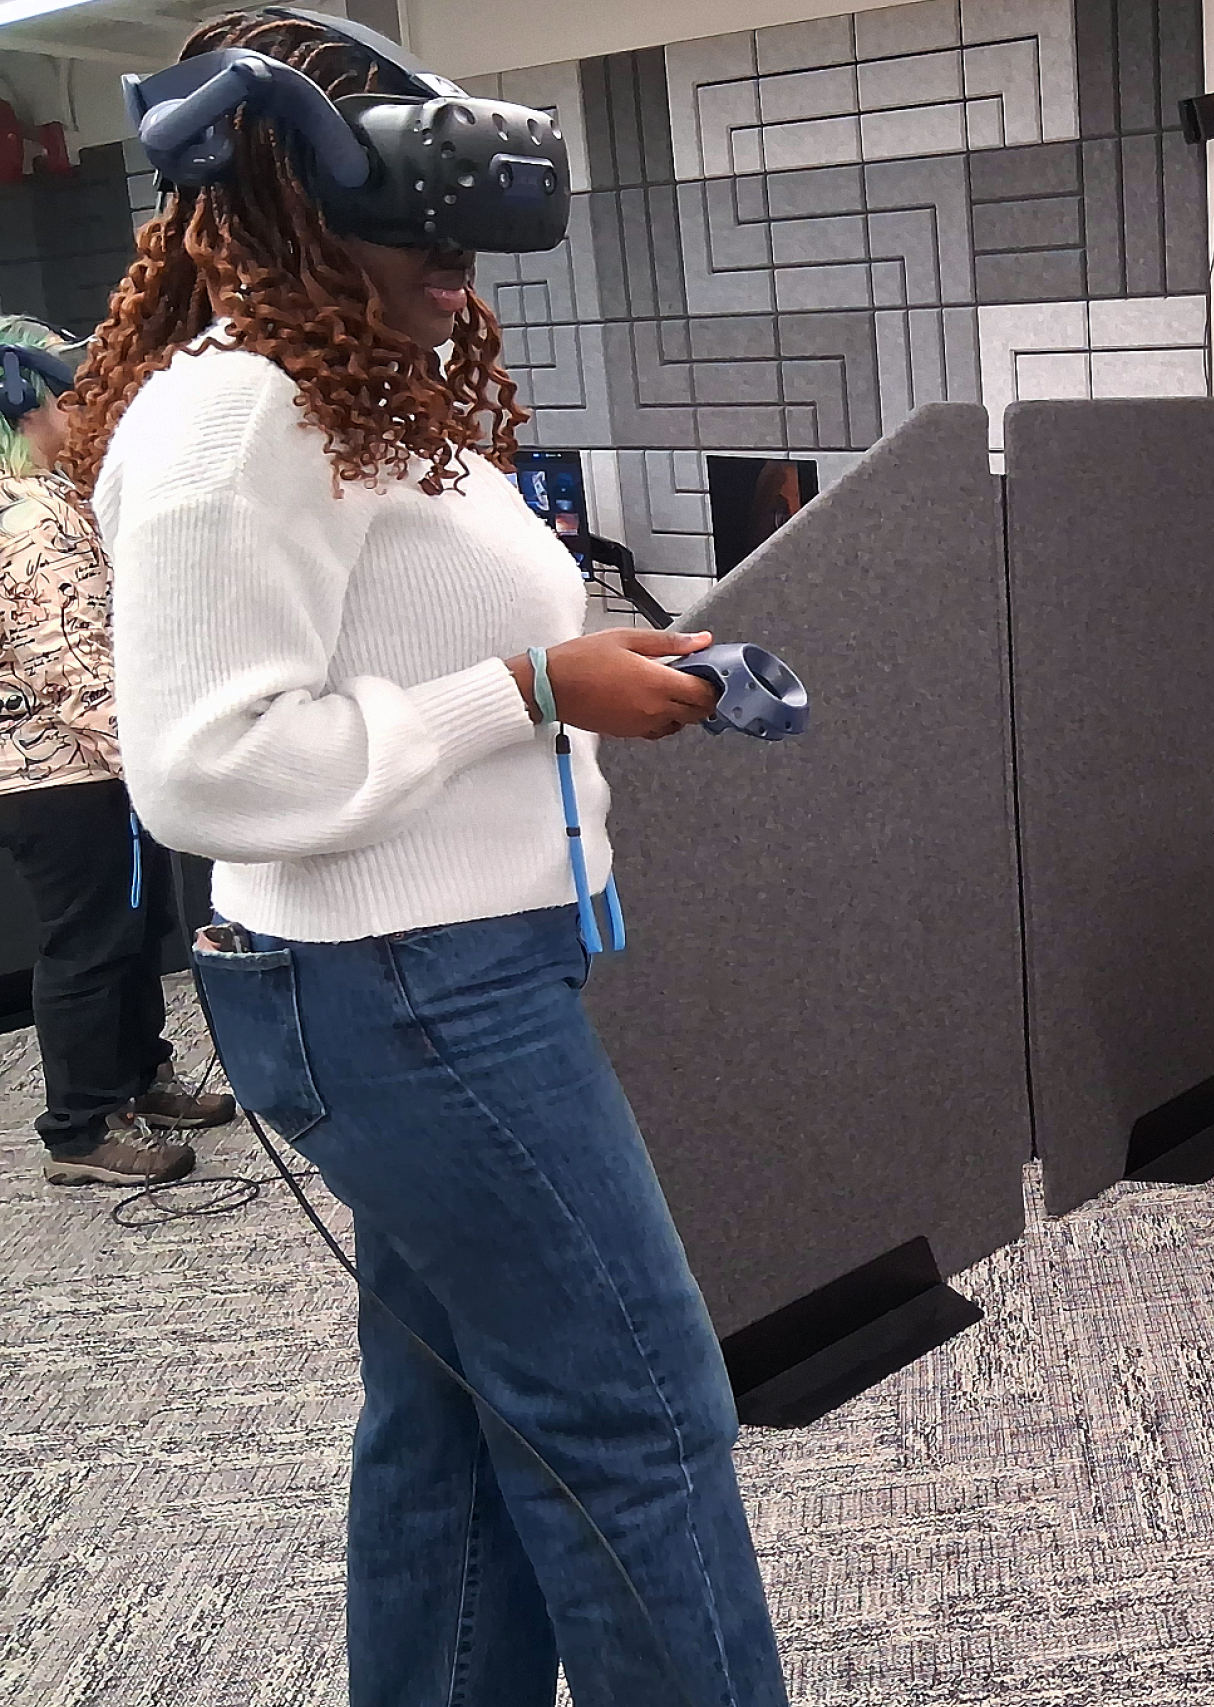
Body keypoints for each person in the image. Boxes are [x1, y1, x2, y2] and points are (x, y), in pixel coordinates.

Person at [62, 12, 788, 1704]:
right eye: (427, 234)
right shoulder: (232, 421)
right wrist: (531, 686)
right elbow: (202, 766)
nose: (460, 273)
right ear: (297, 205)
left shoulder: (355, 401)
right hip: (400, 991)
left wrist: (596, 670)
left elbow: (404, 655)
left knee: (457, 1423)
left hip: (457, 972)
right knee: (639, 1413)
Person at [0, 316, 232, 1186]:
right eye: (63, 400)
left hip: (70, 767)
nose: (78, 411)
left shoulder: (37, 502)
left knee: (133, 930)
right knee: (93, 942)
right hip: (65, 773)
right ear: (29, 411)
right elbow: (70, 660)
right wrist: (153, 757)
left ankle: (139, 1077)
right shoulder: (28, 519)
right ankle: (83, 1126)